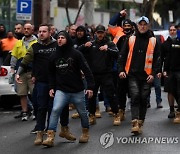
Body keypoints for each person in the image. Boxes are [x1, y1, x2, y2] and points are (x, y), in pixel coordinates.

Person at [16, 24, 74, 145]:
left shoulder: (57, 45)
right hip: (42, 82)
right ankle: (40, 132)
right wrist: (18, 73)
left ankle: (64, 129)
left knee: (60, 107)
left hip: (58, 82)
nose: (41, 33)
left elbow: (69, 57)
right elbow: (25, 61)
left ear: (50, 33)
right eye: (40, 31)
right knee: (41, 107)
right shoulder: (34, 47)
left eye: (44, 31)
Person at [42, 30, 94, 147]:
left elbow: (86, 70)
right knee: (55, 110)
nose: (60, 39)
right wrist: (51, 87)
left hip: (77, 90)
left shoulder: (76, 54)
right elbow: (50, 73)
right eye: (58, 38)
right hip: (62, 90)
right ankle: (50, 136)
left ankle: (85, 133)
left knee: (83, 113)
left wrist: (90, 87)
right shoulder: (53, 56)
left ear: (67, 39)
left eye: (62, 38)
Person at [118, 16, 160, 135]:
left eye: (144, 24)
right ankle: (135, 122)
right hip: (132, 74)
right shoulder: (130, 39)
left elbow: (158, 59)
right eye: (140, 24)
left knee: (143, 98)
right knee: (135, 96)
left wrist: (153, 74)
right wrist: (121, 70)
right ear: (137, 26)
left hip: (147, 75)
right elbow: (122, 55)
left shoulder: (153, 40)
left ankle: (141, 121)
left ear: (148, 26)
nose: (142, 26)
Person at [83, 25, 120, 126]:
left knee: (111, 94)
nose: (100, 34)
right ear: (95, 33)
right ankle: (92, 115)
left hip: (106, 73)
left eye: (101, 32)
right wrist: (84, 46)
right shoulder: (91, 44)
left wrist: (107, 49)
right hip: (93, 74)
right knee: (91, 95)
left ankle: (116, 114)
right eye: (98, 33)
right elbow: (79, 54)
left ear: (105, 33)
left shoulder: (110, 43)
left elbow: (117, 53)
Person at [109, 9, 135, 124]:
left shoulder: (136, 36)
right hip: (119, 66)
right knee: (120, 90)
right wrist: (119, 15)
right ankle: (121, 110)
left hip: (133, 67)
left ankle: (135, 112)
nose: (127, 28)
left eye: (129, 26)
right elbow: (111, 24)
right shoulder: (118, 32)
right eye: (125, 25)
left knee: (133, 90)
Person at [11, 23, 37, 121]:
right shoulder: (18, 43)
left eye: (28, 29)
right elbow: (14, 56)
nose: (26, 30)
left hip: (32, 72)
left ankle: (35, 110)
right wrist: (13, 69)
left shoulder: (36, 42)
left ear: (32, 30)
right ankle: (25, 112)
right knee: (22, 93)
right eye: (25, 29)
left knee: (34, 93)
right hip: (21, 72)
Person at [162, 24, 180, 122]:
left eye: (174, 30)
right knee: (170, 90)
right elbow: (162, 58)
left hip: (179, 70)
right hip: (169, 71)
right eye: (171, 30)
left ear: (176, 31)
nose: (172, 31)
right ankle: (171, 110)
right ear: (169, 31)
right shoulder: (165, 44)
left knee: (179, 90)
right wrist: (163, 70)